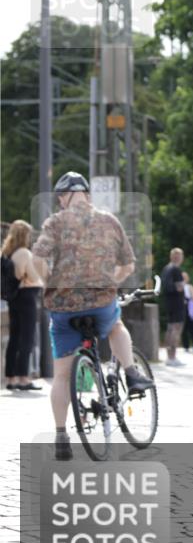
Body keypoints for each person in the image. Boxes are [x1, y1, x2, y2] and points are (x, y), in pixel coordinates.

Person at [31, 172, 153, 460]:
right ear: (87, 194)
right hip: (100, 302)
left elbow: (37, 259)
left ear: (63, 197)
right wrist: (111, 280)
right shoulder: (109, 221)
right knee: (116, 326)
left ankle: (61, 436)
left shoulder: (55, 222)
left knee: (62, 376)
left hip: (62, 307)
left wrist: (50, 283)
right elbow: (129, 265)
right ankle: (131, 374)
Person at [3, 220, 43, 391]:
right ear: (24, 235)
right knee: (27, 337)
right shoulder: (24, 253)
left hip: (14, 298)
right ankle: (23, 378)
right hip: (27, 297)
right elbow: (33, 277)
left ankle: (11, 378)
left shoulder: (7, 252)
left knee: (14, 337)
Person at [161, 248, 186, 367]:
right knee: (176, 329)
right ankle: (172, 357)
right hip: (177, 303)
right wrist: (184, 282)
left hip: (169, 302)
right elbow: (179, 287)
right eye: (178, 256)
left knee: (170, 328)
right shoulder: (176, 269)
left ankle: (169, 356)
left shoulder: (166, 268)